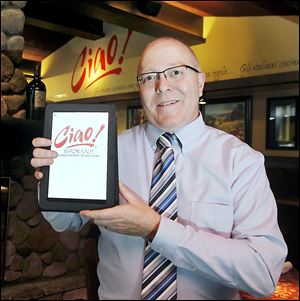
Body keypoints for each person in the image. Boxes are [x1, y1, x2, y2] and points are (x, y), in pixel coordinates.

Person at [31, 37, 287, 300]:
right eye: (149, 77)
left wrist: (156, 228)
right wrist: (53, 177)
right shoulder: (110, 149)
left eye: (176, 72)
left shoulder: (241, 161)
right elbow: (67, 222)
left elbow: (263, 273)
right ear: (139, 89)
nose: (162, 86)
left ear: (200, 82)